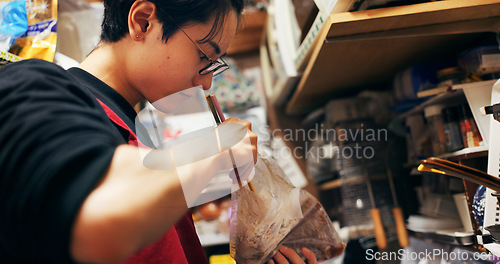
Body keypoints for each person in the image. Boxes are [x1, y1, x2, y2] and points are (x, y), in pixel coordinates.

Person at [0, 0, 318, 263]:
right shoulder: (34, 86)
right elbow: (100, 225)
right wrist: (216, 152)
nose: (206, 82)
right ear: (143, 22)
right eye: (205, 56)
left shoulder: (136, 138)